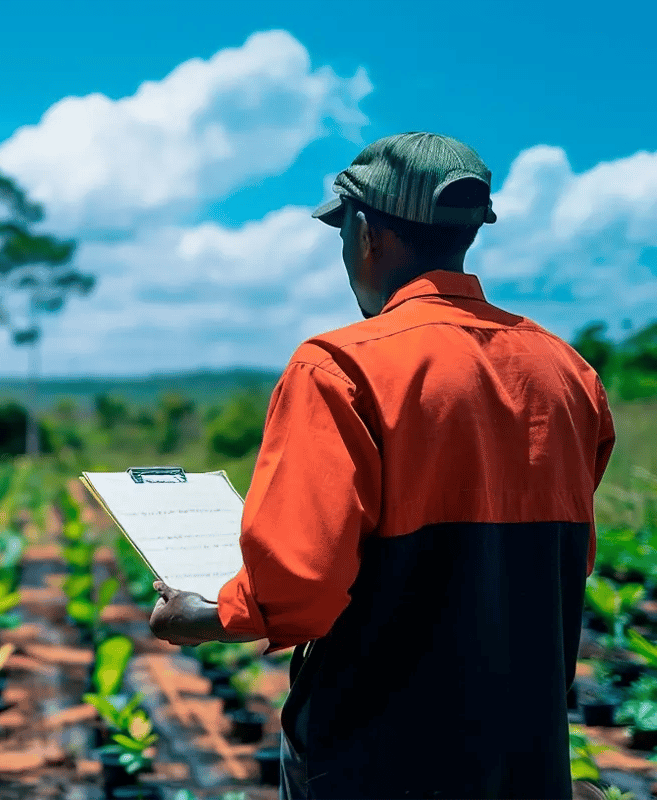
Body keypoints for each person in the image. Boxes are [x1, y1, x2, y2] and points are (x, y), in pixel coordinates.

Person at [147, 131, 616, 800]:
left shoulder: (339, 369)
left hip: (377, 756)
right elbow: (562, 561)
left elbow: (300, 587)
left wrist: (196, 614)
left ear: (366, 234)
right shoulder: (569, 374)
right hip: (525, 753)